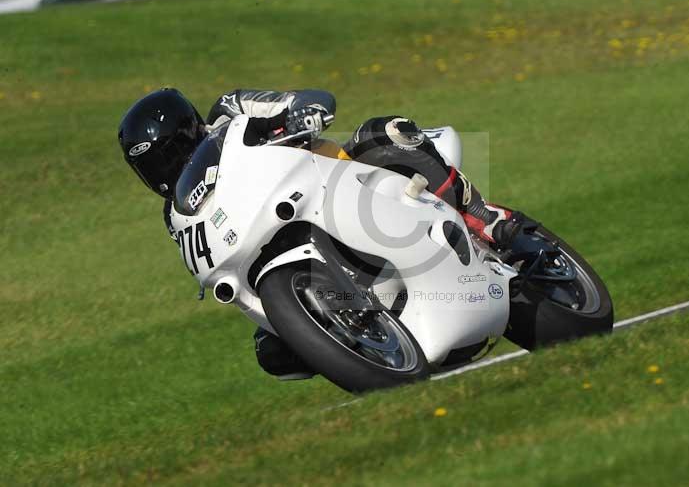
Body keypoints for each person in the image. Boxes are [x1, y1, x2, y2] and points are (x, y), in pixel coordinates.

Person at [118, 87, 527, 379]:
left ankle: (482, 216)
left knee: (382, 133)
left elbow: (305, 99)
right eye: (150, 168)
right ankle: (355, 340)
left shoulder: (230, 109)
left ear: (190, 130)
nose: (163, 172)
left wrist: (302, 113)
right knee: (273, 352)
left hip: (337, 181)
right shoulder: (176, 215)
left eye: (168, 155)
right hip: (271, 236)